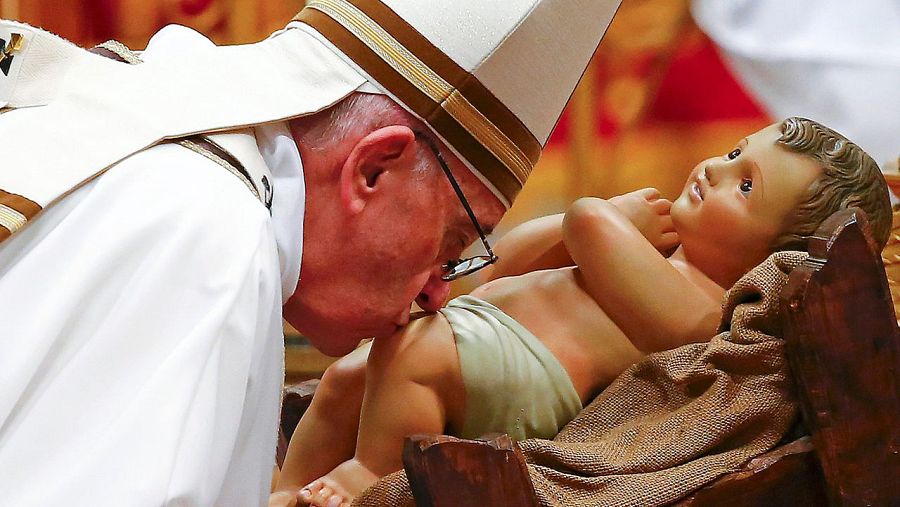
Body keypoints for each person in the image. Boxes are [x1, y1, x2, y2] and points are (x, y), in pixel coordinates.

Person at [0, 1, 622, 505]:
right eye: (454, 242)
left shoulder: (152, 144)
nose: (439, 291)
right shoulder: (209, 229)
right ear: (375, 168)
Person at [270, 117, 892, 507]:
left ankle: (369, 477)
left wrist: (611, 214)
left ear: (772, 256)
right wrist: (593, 228)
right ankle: (280, 489)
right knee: (347, 377)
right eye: (733, 153)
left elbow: (586, 220)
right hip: (478, 332)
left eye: (746, 186)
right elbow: (504, 258)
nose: (714, 169)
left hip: (520, 382)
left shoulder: (703, 306)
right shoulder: (660, 246)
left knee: (415, 358)